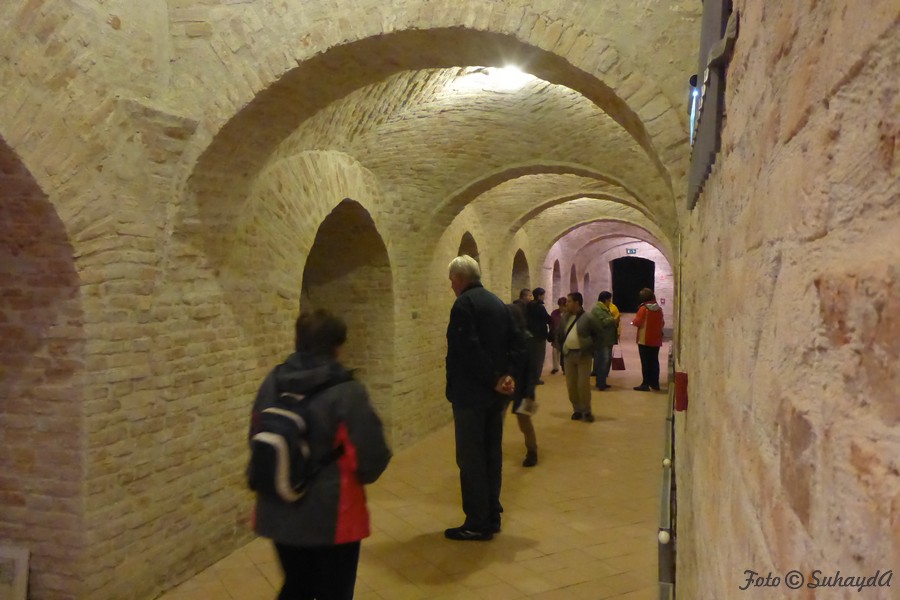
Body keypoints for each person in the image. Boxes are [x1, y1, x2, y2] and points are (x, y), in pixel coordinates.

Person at [249, 310, 392, 600]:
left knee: (297, 585)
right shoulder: (347, 392)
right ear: (336, 346)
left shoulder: (273, 381)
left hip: (279, 505)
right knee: (334, 591)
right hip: (331, 515)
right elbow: (370, 458)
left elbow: (256, 434)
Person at [445, 255, 523, 541]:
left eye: (451, 280)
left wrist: (493, 377)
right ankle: (492, 514)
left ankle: (477, 522)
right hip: (495, 396)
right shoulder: (497, 303)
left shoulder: (463, 305)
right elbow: (517, 342)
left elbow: (468, 349)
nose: (451, 285)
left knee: (471, 458)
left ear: (459, 278)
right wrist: (508, 375)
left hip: (471, 395)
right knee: (492, 453)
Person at [556, 292, 602, 422]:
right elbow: (559, 333)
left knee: (583, 385)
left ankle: (586, 411)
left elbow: (598, 334)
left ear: (577, 303)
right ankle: (577, 409)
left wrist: (590, 347)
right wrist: (561, 347)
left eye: (569, 301)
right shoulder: (565, 317)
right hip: (568, 355)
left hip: (583, 355)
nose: (567, 303)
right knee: (571, 385)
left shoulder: (588, 317)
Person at [507, 302, 539, 467]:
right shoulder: (505, 337)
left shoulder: (527, 339)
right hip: (507, 384)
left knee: (524, 421)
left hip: (524, 388)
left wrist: (529, 392)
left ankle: (532, 451)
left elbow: (531, 370)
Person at [631, 288, 665, 391]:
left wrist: (632, 322)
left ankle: (645, 384)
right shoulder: (659, 309)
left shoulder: (643, 309)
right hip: (656, 339)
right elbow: (662, 323)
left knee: (645, 362)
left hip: (644, 339)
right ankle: (655, 383)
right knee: (654, 361)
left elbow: (638, 322)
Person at [590, 291, 619, 390]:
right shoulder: (597, 309)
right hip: (602, 340)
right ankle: (600, 383)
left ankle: (602, 381)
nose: (610, 302)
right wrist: (613, 320)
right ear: (605, 300)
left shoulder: (604, 308)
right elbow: (602, 322)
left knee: (605, 361)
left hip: (607, 339)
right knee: (603, 361)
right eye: (609, 300)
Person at [525, 287, 552, 385]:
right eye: (543, 295)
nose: (544, 297)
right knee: (539, 358)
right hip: (540, 336)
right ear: (539, 296)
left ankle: (530, 377)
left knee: (532, 357)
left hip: (530, 335)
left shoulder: (528, 306)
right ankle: (536, 378)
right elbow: (547, 319)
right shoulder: (540, 307)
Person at [549, 297, 567, 374]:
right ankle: (555, 367)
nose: (561, 308)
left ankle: (565, 367)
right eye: (560, 306)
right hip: (556, 334)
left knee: (565, 352)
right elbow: (551, 323)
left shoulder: (569, 314)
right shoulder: (554, 313)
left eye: (563, 306)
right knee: (555, 351)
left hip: (565, 335)